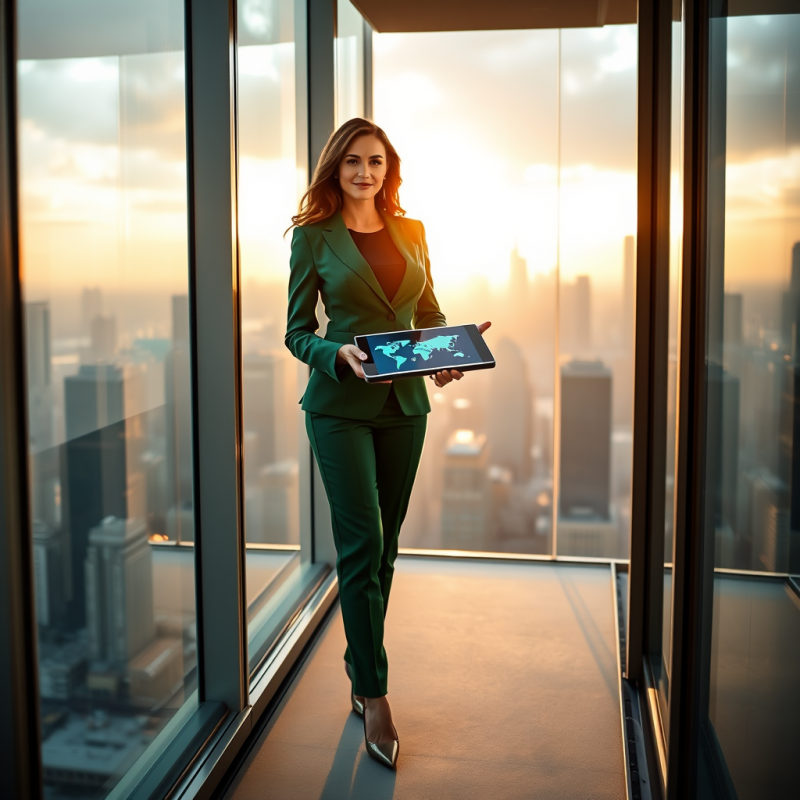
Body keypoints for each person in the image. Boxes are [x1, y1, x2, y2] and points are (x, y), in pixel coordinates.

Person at [285, 117, 491, 769]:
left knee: (386, 547)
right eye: (352, 162)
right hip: (340, 408)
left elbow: (426, 315)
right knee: (362, 543)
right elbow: (296, 332)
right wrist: (332, 353)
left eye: (375, 162)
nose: (364, 173)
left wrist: (446, 352)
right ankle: (374, 694)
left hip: (405, 405)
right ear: (334, 169)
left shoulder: (413, 232)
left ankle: (358, 663)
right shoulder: (313, 239)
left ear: (388, 169)